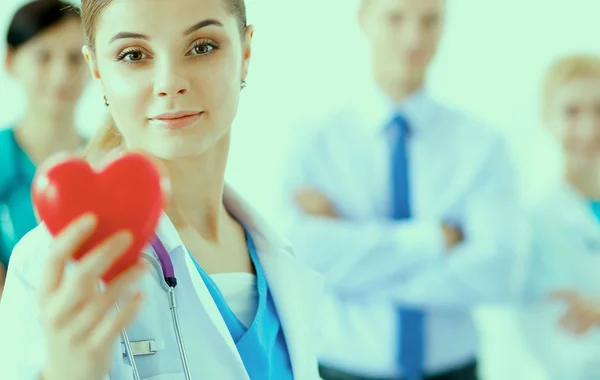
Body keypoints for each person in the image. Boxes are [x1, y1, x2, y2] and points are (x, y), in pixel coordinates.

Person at [0, 0, 323, 379]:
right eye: (133, 54)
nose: (170, 82)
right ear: (98, 72)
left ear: (246, 53)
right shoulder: (51, 266)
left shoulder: (279, 258)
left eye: (202, 46)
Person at [279, 0, 528, 379]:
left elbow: (499, 272)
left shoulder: (483, 145)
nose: (414, 37)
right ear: (364, 20)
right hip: (341, 370)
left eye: (430, 20)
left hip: (454, 371)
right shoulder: (313, 141)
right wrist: (431, 240)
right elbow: (303, 257)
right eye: (396, 18)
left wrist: (356, 264)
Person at [517, 55, 600, 380]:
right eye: (572, 112)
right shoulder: (534, 225)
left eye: (599, 110)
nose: (590, 128)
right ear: (547, 119)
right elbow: (571, 354)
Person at [0, 0, 88, 291]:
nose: (62, 74)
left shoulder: (108, 164)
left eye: (75, 58)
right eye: (43, 57)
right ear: (11, 61)